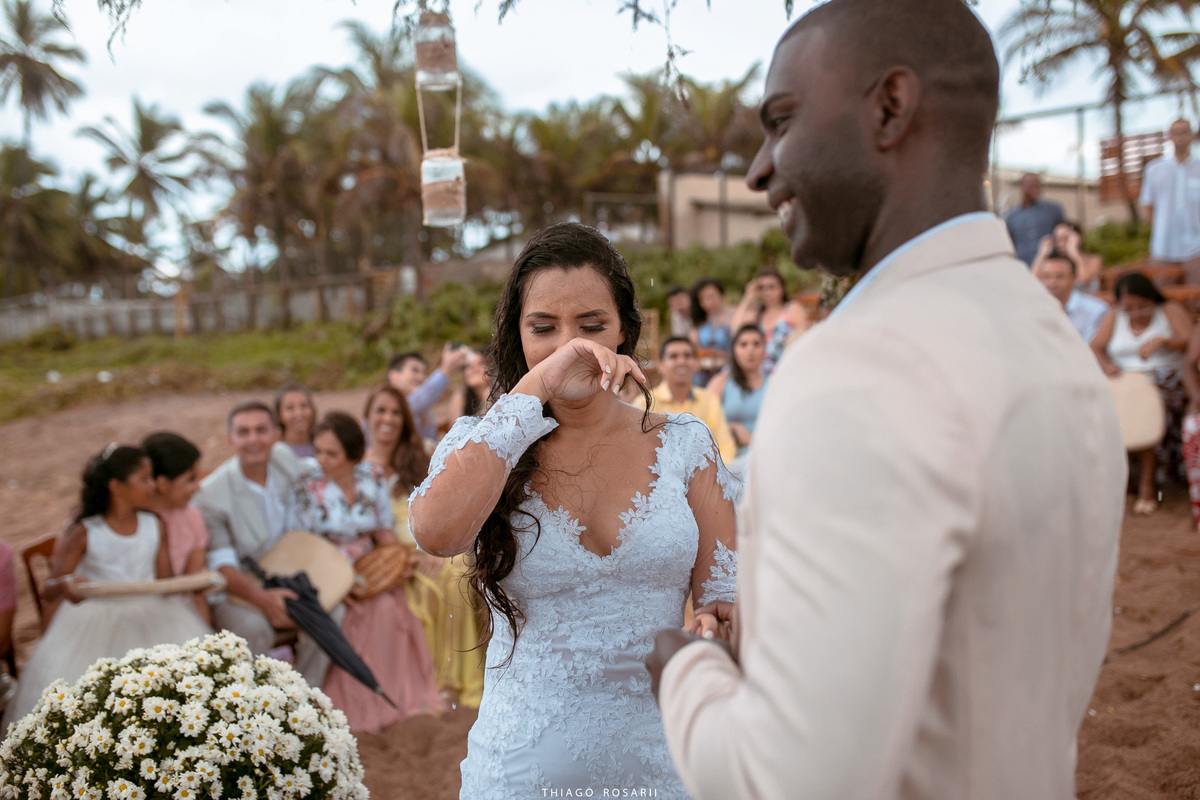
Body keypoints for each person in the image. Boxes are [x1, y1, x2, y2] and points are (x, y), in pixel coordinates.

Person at [645, 3, 1126, 799]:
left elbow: (788, 783)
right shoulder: (1057, 347)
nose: (759, 170)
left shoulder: (856, 369)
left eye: (782, 121)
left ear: (891, 108)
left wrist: (687, 675)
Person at [409, 222, 738, 799]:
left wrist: (712, 624)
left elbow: (724, 604)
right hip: (518, 772)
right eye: (544, 328)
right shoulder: (481, 443)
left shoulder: (686, 445)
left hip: (664, 766)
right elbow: (437, 532)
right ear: (517, 337)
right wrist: (531, 395)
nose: (570, 346)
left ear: (625, 332)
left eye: (591, 326)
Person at [4, 445, 210, 727]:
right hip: (93, 624)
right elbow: (48, 590)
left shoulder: (154, 525)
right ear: (116, 486)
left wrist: (197, 580)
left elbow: (166, 585)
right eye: (144, 479)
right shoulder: (87, 531)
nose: (152, 485)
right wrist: (66, 585)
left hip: (155, 617)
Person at [289, 410, 440, 733]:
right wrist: (340, 582)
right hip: (325, 569)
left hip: (371, 567)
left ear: (353, 455)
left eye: (332, 453)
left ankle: (392, 694)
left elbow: (384, 531)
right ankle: (351, 701)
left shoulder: (371, 475)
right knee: (355, 613)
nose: (322, 459)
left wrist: (398, 562)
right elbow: (304, 546)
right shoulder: (307, 485)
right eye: (319, 451)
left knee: (390, 606)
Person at [363, 384, 485, 708]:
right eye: (381, 411)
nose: (388, 419)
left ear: (405, 419)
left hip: (434, 542)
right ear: (367, 417)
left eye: (395, 412)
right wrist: (405, 555)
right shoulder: (360, 468)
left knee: (458, 568)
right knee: (426, 587)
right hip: (393, 554)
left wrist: (438, 547)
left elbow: (447, 505)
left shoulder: (421, 456)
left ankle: (458, 679)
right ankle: (436, 680)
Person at [192, 400, 330, 685]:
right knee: (253, 628)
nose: (253, 440)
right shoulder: (211, 495)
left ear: (276, 435)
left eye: (261, 430)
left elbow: (324, 472)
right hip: (241, 589)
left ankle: (307, 698)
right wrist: (264, 601)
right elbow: (223, 566)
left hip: (293, 576)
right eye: (243, 432)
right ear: (230, 440)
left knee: (334, 609)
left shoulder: (284, 459)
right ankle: (253, 707)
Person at [1091, 272, 1192, 514]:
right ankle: (1122, 480)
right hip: (1125, 379)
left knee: (1146, 407)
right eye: (1129, 308)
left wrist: (1163, 340)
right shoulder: (1114, 316)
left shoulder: (1168, 310)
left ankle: (1147, 483)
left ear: (1151, 298)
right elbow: (1095, 347)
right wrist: (1107, 366)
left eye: (1142, 306)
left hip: (1165, 379)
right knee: (1110, 407)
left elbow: (1189, 340)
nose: (1136, 312)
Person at [142, 431, 212, 625]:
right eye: (190, 479)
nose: (197, 487)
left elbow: (195, 591)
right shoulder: (136, 523)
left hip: (181, 615)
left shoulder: (192, 518)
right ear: (162, 483)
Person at [643, 337, 738, 464]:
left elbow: (726, 447)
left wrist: (711, 477)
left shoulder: (709, 400)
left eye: (687, 356)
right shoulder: (646, 403)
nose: (681, 361)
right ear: (660, 365)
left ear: (696, 363)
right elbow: (641, 452)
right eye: (673, 356)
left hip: (707, 478)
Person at [1141, 119, 1200, 283]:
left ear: (1192, 135)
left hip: (1196, 249)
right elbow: (1148, 204)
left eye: (1185, 132)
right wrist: (1158, 232)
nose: (1180, 137)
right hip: (1162, 248)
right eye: (1176, 132)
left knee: (1196, 300)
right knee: (1164, 298)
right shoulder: (1155, 169)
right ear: (1169, 137)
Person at [707, 325, 770, 461]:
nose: (750, 350)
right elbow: (704, 423)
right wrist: (732, 428)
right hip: (729, 457)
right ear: (734, 350)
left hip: (766, 454)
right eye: (743, 344)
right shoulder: (721, 382)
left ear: (765, 350)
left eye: (756, 344)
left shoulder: (773, 383)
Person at [730, 269, 810, 373]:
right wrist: (748, 297)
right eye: (762, 288)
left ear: (782, 288)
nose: (767, 292)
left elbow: (805, 339)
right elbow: (735, 330)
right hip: (759, 373)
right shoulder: (757, 314)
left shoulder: (792, 309)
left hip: (786, 369)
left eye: (772, 287)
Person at [387, 346, 469, 442]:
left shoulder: (424, 407)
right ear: (394, 376)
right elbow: (419, 400)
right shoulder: (387, 402)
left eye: (423, 372)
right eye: (415, 370)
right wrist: (446, 368)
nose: (421, 377)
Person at [1035, 250, 1110, 343]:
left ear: (1074, 278)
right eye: (1046, 276)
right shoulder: (1034, 308)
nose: (1052, 282)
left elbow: (1089, 350)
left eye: (1059, 276)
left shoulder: (1096, 310)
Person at [1006, 172, 1065, 267]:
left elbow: (1062, 234)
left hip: (1048, 266)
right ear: (1021, 186)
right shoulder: (1012, 216)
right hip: (1023, 266)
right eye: (1031, 184)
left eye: (1038, 185)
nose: (1036, 188)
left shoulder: (1052, 210)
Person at [688, 277, 736, 384]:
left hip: (728, 370)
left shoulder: (733, 315)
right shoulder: (699, 324)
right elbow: (693, 349)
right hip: (704, 372)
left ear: (721, 295)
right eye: (703, 298)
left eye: (712, 296)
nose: (708, 302)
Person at [1033, 221, 1103, 293]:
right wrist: (1042, 254)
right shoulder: (1054, 263)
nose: (1061, 243)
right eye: (1057, 239)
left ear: (1079, 238)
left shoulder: (1094, 259)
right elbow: (1032, 282)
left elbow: (1082, 282)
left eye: (1065, 238)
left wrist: (1074, 253)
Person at [274, 383, 317, 459]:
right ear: (278, 414)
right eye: (290, 408)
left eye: (304, 406)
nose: (299, 413)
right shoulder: (272, 451)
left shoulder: (322, 447)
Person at [448, 349, 491, 420]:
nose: (474, 369)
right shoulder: (460, 398)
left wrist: (487, 401)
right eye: (468, 366)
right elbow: (454, 429)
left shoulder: (501, 397)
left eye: (480, 363)